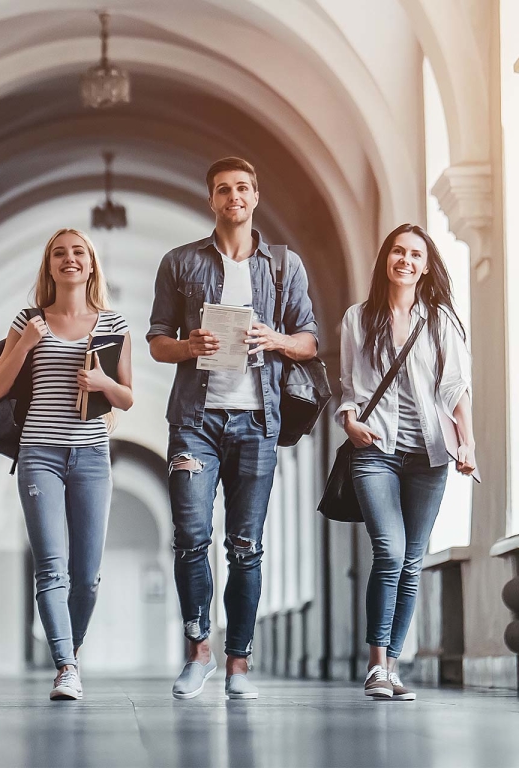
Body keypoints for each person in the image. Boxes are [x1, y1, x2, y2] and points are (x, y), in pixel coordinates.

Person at [147, 157, 318, 700]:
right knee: (191, 540)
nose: (234, 197)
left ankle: (238, 665)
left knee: (246, 546)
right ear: (212, 201)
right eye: (224, 189)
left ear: (255, 196)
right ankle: (199, 652)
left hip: (257, 420)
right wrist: (188, 345)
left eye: (243, 187)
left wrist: (277, 340)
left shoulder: (284, 267)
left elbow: (310, 341)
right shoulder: (180, 263)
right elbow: (156, 341)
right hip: (194, 422)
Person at [0, 228, 133, 700]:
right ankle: (66, 666)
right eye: (59, 253)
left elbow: (127, 399)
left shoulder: (114, 325)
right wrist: (27, 343)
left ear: (91, 264)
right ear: (49, 266)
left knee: (86, 577)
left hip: (92, 456)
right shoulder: (28, 320)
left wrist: (100, 383)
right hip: (39, 455)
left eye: (78, 252)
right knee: (52, 568)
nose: (69, 259)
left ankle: (71, 649)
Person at [336, 223, 475, 701]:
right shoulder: (358, 317)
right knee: (390, 552)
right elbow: (349, 385)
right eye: (398, 251)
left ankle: (393, 666)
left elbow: (456, 389)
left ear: (426, 264)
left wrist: (468, 444)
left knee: (412, 561)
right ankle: (376, 665)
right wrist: (349, 422)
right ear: (386, 260)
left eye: (416, 254)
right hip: (374, 450)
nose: (406, 260)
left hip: (430, 455)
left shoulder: (440, 320)